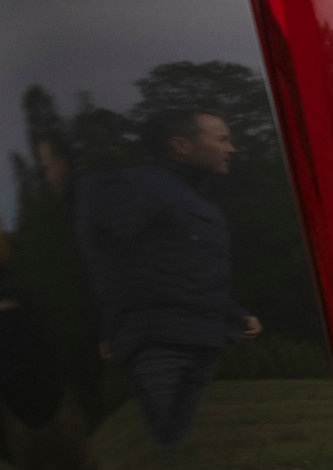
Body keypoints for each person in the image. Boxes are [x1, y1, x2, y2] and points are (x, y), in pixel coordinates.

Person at [76, 109, 261, 450]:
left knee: (182, 447)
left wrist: (234, 313)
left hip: (200, 340)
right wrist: (105, 327)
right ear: (181, 146)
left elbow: (186, 270)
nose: (231, 148)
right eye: (221, 139)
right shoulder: (142, 186)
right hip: (159, 345)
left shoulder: (193, 197)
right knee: (166, 449)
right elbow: (101, 258)